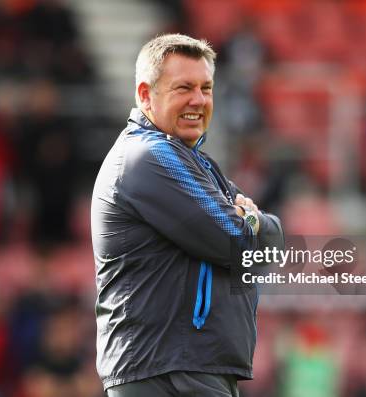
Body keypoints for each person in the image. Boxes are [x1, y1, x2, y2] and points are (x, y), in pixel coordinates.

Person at [91, 33, 284, 397]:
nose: (199, 100)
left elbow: (271, 248)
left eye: (206, 88)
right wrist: (253, 223)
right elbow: (241, 244)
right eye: (184, 88)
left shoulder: (193, 162)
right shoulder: (150, 157)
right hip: (169, 371)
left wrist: (256, 227)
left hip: (186, 367)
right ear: (146, 95)